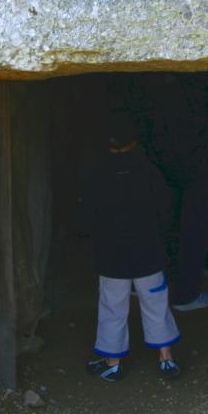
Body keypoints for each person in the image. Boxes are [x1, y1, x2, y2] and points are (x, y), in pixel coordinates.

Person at [81, 110, 182, 382]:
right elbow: (166, 210)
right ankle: (166, 359)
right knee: (156, 303)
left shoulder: (98, 174)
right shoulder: (150, 171)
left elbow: (87, 215)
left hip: (111, 257)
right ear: (135, 141)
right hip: (148, 253)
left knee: (113, 306)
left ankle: (113, 362)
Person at [145, 71, 208, 310]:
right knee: (196, 229)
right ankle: (185, 294)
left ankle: (151, 286)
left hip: (164, 158)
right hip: (204, 161)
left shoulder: (159, 76)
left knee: (163, 223)